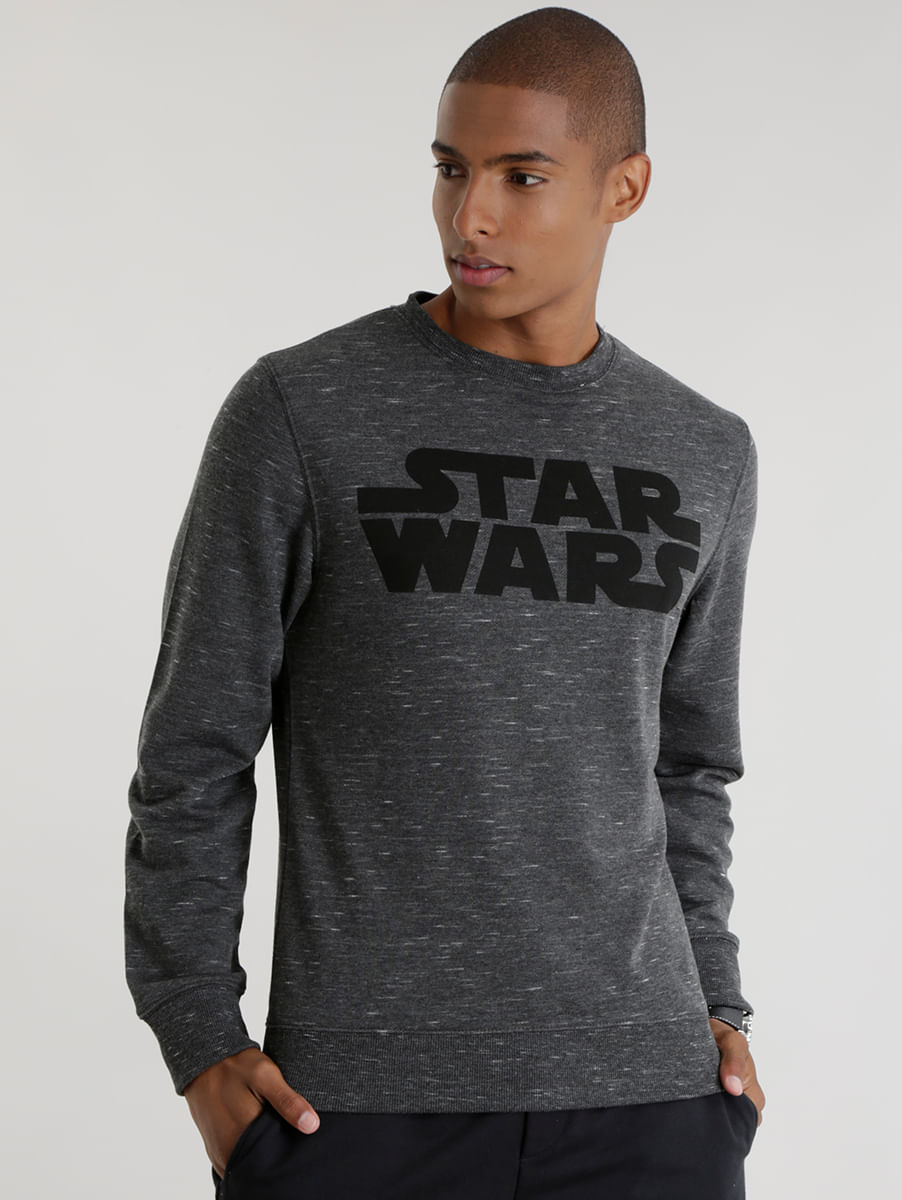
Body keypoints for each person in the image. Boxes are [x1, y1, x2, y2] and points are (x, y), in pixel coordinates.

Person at [124, 7, 766, 1198]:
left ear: (623, 188)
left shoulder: (701, 450)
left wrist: (718, 1011)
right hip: (356, 1110)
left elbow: (689, 767)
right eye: (450, 168)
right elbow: (193, 750)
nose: (470, 215)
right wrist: (200, 1041)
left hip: (650, 1102)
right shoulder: (301, 412)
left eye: (522, 177)